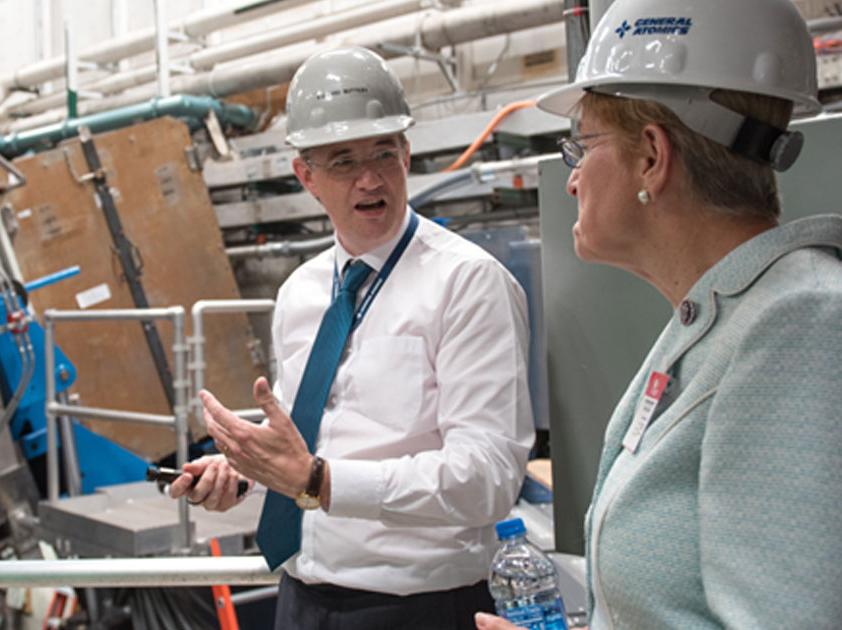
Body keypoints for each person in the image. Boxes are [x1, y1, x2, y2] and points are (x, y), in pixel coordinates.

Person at [475, 0, 842, 628]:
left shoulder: (798, 328)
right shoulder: (716, 322)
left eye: (581, 147)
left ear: (651, 157)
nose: (572, 179)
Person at [169, 46, 535, 629]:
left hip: (418, 610)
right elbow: (303, 448)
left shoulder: (467, 283)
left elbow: (487, 477)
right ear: (306, 176)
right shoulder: (300, 294)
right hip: (301, 598)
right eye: (342, 161)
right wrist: (245, 472)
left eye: (384, 153)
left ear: (407, 154)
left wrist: (320, 481)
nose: (370, 179)